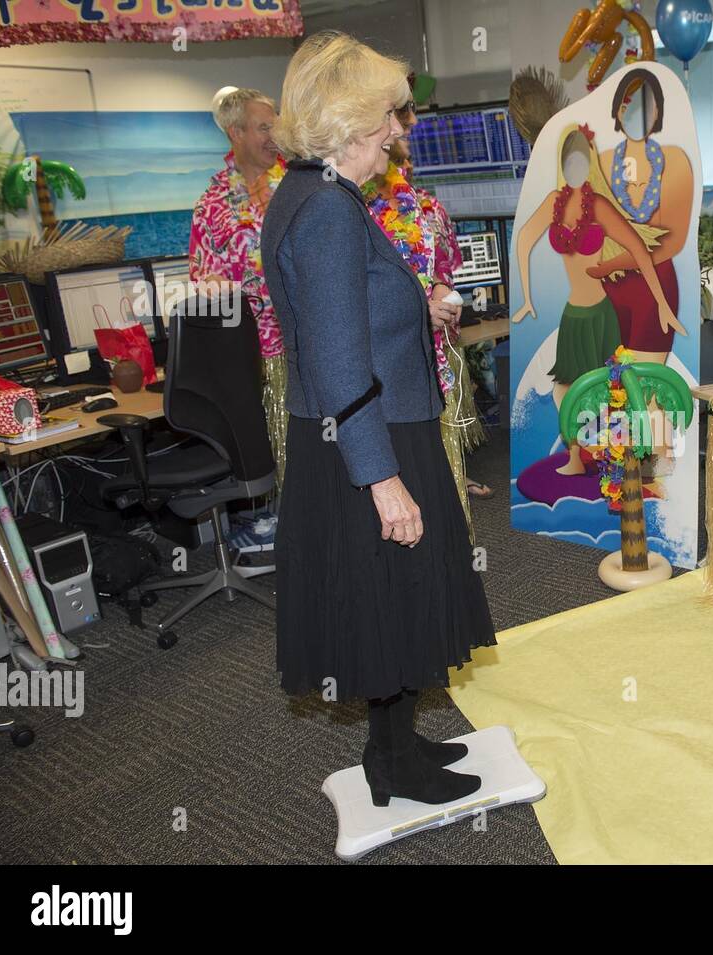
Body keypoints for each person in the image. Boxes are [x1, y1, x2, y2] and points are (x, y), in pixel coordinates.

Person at [261, 32, 494, 807]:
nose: (401, 128)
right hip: (370, 440)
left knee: (391, 601)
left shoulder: (310, 194)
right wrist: (384, 481)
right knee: (388, 600)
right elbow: (333, 360)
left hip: (371, 431)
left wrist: (414, 307)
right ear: (350, 118)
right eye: (390, 114)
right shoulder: (326, 208)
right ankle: (391, 766)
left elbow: (345, 317)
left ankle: (395, 746)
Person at [512, 123, 683, 476]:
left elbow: (638, 249)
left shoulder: (600, 205)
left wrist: (663, 304)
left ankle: (625, 460)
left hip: (603, 314)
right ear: (562, 165)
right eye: (568, 162)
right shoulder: (553, 204)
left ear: (589, 163)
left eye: (581, 161)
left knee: (614, 391)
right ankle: (577, 458)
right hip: (573, 315)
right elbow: (525, 238)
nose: (574, 169)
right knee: (564, 391)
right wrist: (527, 297)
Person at [361, 97, 492, 530]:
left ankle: (449, 536)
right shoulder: (356, 213)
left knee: (440, 465)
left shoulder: (429, 208)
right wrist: (421, 308)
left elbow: (447, 269)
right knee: (399, 465)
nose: (406, 136)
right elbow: (361, 291)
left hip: (434, 359)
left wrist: (441, 293)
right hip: (383, 367)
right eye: (398, 132)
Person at [189, 88, 290, 503]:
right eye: (264, 127)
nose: (275, 135)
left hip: (313, 342)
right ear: (236, 133)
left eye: (276, 126)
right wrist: (219, 289)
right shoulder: (212, 206)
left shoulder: (298, 185)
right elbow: (202, 282)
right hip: (256, 359)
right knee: (280, 455)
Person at [590, 69, 695, 366]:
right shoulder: (602, 160)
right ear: (617, 111)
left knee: (646, 390)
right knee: (612, 391)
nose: (634, 114)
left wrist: (613, 264)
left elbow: (673, 240)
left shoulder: (674, 160)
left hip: (654, 287)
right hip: (608, 289)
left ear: (658, 111)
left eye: (644, 106)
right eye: (627, 104)